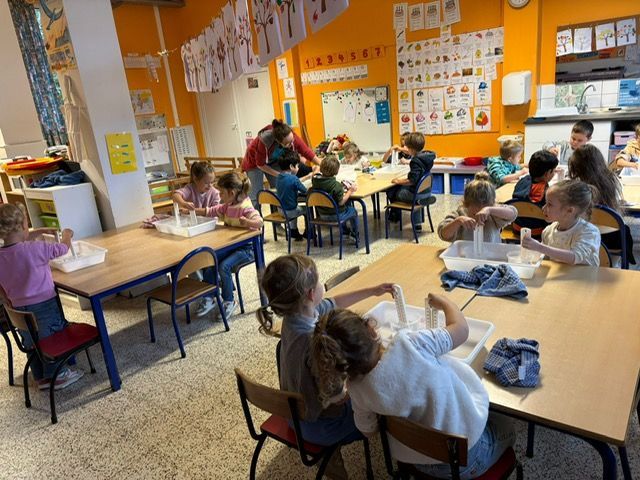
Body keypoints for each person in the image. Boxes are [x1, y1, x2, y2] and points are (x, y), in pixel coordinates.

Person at [310, 294, 515, 479]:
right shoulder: (410, 343)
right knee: (507, 425)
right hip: (465, 462)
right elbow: (461, 330)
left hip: (414, 461)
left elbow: (368, 430)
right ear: (371, 328)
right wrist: (446, 302)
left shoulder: (356, 389)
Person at [257, 254, 393, 478]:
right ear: (311, 294)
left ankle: (332, 457)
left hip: (294, 415)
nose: (323, 286)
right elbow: (338, 397)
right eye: (319, 282)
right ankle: (335, 454)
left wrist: (373, 291)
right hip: (320, 426)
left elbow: (335, 302)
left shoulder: (295, 316)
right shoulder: (314, 342)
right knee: (380, 402)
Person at [0, 204, 83, 390]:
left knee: (32, 342)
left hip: (17, 309)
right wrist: (67, 235)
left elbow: (17, 245)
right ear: (23, 226)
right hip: (44, 305)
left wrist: (6, 298)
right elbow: (62, 248)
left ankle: (40, 378)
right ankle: (57, 376)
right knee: (52, 338)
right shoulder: (36, 248)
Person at [193, 172, 263, 318]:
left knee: (223, 266)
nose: (219, 196)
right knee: (210, 259)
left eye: (221, 193)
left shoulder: (245, 207)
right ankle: (210, 296)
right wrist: (192, 211)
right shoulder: (228, 205)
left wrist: (248, 222)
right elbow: (210, 211)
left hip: (247, 249)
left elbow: (260, 222)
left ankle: (229, 301)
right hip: (231, 246)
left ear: (231, 193)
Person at [568, 144, 634, 264]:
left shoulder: (574, 187)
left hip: (581, 236)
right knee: (624, 228)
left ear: (575, 168)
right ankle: (612, 263)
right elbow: (618, 202)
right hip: (611, 236)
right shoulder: (612, 180)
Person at [242, 119, 321, 209]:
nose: (291, 144)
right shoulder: (265, 140)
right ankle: (255, 217)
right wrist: (280, 175)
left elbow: (306, 151)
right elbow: (260, 164)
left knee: (279, 189)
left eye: (292, 140)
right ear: (277, 141)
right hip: (254, 163)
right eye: (287, 143)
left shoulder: (290, 135)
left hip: (273, 161)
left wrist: (321, 164)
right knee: (256, 195)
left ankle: (279, 217)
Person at [522, 179, 601, 266]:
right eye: (545, 203)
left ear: (569, 210)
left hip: (586, 275)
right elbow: (545, 259)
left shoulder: (590, 232)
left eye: (550, 204)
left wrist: (539, 247)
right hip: (560, 274)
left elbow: (574, 257)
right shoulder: (548, 231)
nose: (543, 208)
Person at [438, 172, 517, 243]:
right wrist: (457, 221)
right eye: (474, 214)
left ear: (492, 204)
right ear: (466, 204)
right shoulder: (460, 213)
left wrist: (489, 210)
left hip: (491, 253)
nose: (479, 218)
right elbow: (443, 234)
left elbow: (513, 213)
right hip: (466, 253)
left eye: (483, 213)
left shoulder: (493, 213)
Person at [386, 132, 436, 228]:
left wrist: (398, 181)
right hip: (426, 191)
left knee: (391, 191)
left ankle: (395, 215)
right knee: (402, 188)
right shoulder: (427, 157)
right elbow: (417, 176)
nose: (406, 149)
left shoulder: (415, 161)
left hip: (416, 194)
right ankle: (417, 224)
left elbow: (411, 181)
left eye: (407, 147)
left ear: (412, 149)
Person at [311, 155, 359, 242]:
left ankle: (345, 231)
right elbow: (341, 202)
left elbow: (315, 175)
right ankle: (354, 234)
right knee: (353, 211)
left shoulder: (314, 181)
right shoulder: (336, 185)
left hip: (321, 215)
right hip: (336, 216)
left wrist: (316, 170)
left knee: (345, 206)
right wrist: (350, 191)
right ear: (336, 172)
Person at [511, 150, 558, 236]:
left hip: (517, 227)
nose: (554, 174)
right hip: (537, 231)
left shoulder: (522, 181)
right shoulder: (547, 192)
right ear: (547, 173)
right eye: (554, 171)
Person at [275, 149, 315, 241]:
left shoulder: (278, 177)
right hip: (290, 211)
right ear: (291, 166)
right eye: (297, 165)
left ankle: (293, 231)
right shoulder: (294, 178)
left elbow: (290, 184)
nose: (298, 168)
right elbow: (305, 191)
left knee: (293, 205)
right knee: (307, 210)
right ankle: (309, 232)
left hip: (281, 210)